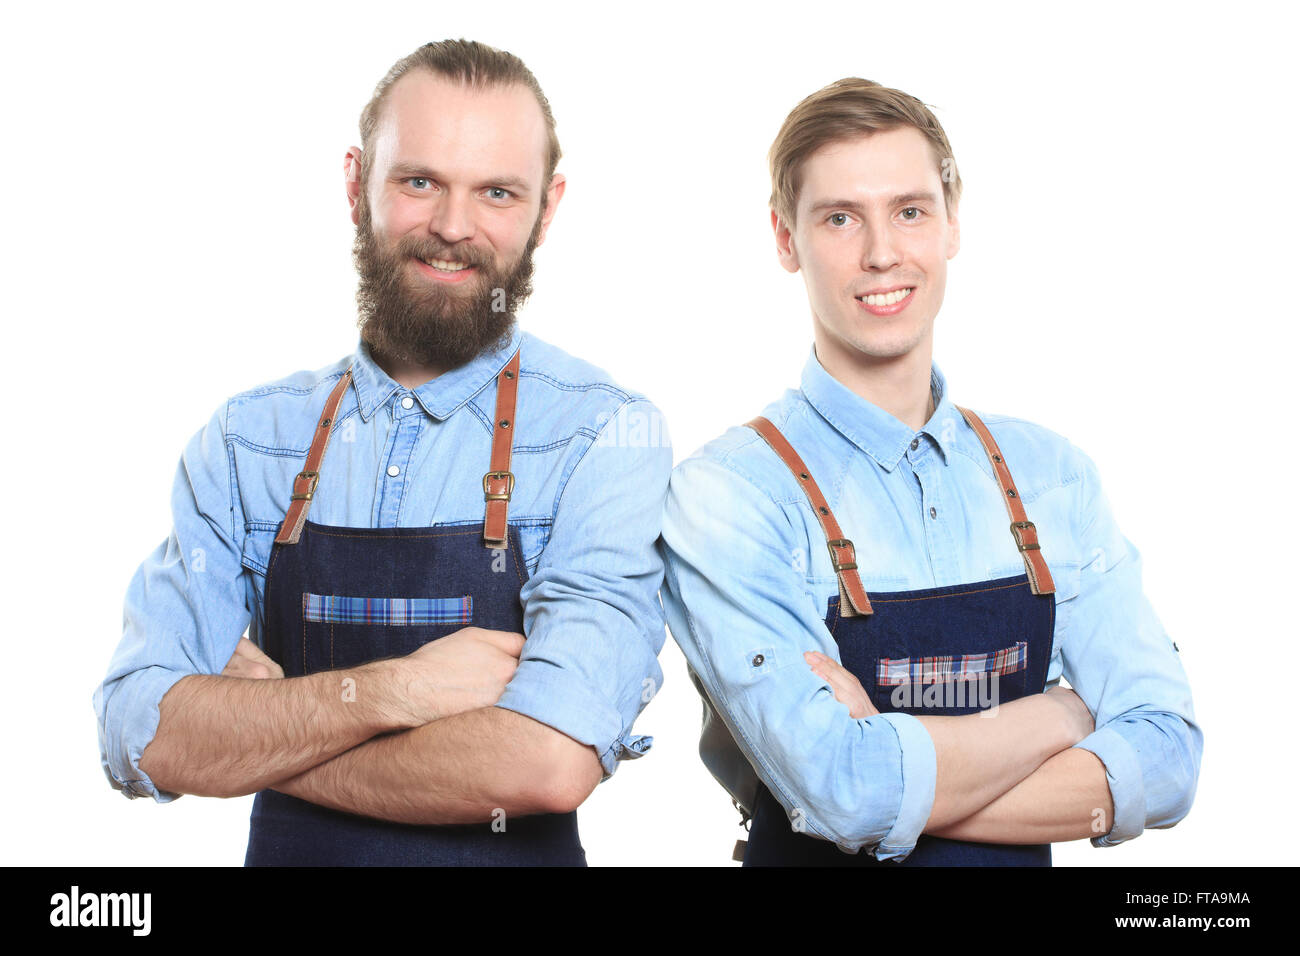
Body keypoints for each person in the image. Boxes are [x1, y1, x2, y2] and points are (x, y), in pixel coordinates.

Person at [93, 39, 671, 867]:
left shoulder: (601, 437)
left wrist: (272, 728)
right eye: (419, 181)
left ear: (547, 208)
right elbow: (139, 732)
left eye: (497, 193)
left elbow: (545, 762)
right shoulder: (247, 442)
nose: (451, 227)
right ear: (356, 184)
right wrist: (399, 692)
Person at [659, 78, 1201, 866]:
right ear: (785, 239)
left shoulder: (1052, 475)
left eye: (910, 210)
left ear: (952, 224)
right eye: (840, 217)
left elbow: (1171, 759)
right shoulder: (730, 495)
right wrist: (1065, 718)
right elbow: (840, 793)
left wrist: (891, 765)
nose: (883, 252)